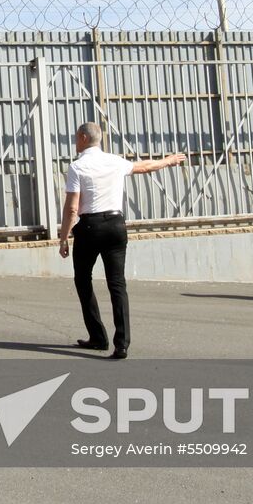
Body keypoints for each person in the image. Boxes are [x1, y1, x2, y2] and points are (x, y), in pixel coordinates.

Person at [57, 122, 185, 360]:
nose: (75, 142)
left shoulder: (77, 167)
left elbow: (72, 208)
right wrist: (168, 160)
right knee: (117, 284)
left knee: (83, 280)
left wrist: (64, 238)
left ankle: (98, 337)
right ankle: (122, 343)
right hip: (116, 226)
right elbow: (145, 167)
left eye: (76, 138)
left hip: (89, 226)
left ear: (84, 138)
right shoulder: (115, 161)